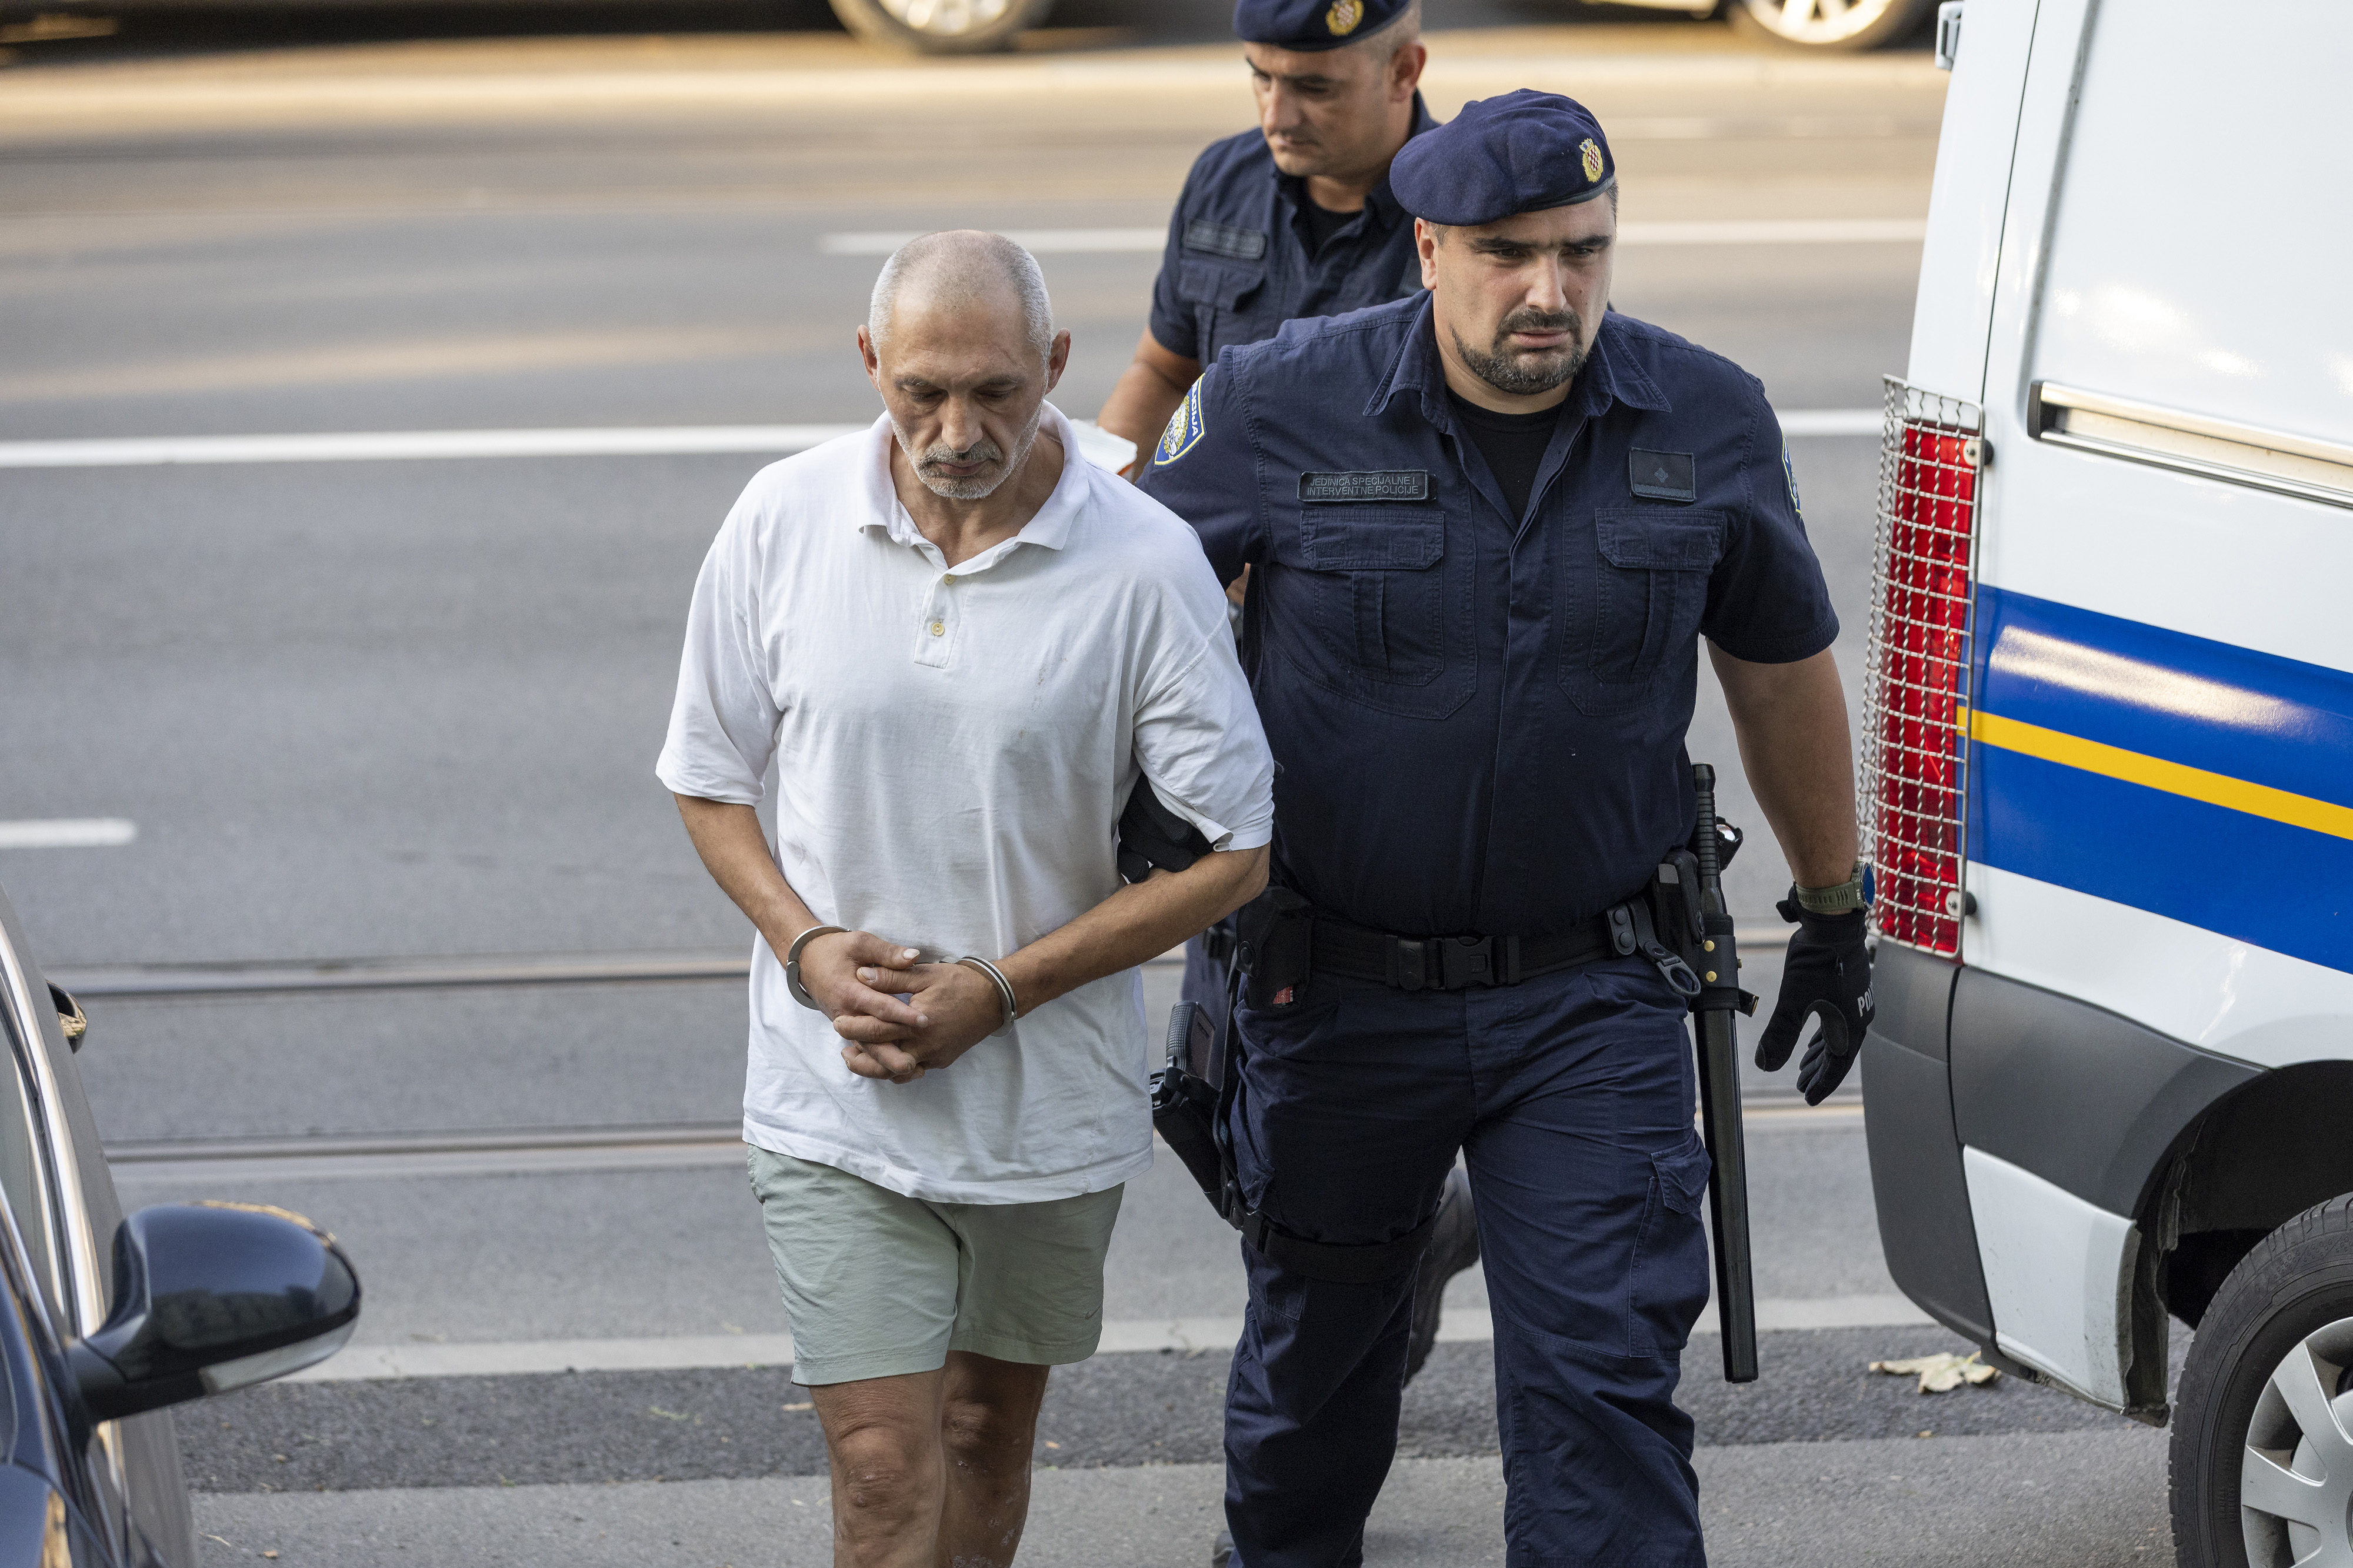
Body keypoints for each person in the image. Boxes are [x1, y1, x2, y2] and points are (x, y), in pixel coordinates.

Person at [1140, 92, 1875, 1567]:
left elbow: (1781, 672)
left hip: (1588, 992)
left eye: (1582, 252)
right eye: (1507, 253)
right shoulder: (1280, 395)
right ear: (1427, 248)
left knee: (1601, 1396)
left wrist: (1834, 909)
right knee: (1307, 1405)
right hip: (1332, 992)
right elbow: (1122, 617)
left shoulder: (1706, 415)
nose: (1549, 290)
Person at [656, 230, 1275, 1568]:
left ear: (1055, 366)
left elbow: (1236, 850)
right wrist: (805, 945)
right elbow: (707, 780)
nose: (957, 428)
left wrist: (997, 992)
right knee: (883, 1467)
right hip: (835, 1090)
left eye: (996, 392)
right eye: (921, 391)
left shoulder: (1143, 559)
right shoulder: (781, 518)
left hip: (1044, 1103)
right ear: (869, 361)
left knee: (988, 1434)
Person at [1095, 0, 1483, 1392]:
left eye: (1311, 84)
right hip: (1221, 677)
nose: (1277, 112)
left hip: (1369, 695)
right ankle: (1391, 1246)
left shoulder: (1463, 223)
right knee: (1213, 1103)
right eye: (1259, 78)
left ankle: (1352, 1311)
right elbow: (1165, 360)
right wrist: (1103, 503)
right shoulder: (1221, 182)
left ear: (1405, 69)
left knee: (1320, 1082)